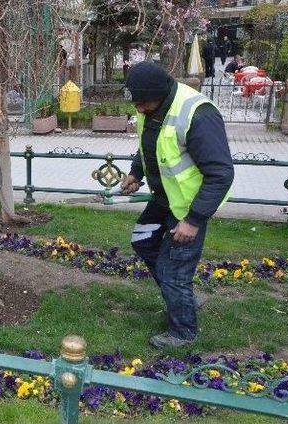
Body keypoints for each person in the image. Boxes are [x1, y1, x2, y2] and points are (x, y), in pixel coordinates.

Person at [120, 61, 234, 349]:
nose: (138, 109)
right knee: (143, 241)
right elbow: (150, 144)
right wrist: (136, 173)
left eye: (142, 103)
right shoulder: (154, 107)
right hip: (164, 199)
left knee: (174, 270)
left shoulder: (198, 114)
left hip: (189, 207)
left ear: (158, 95)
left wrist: (193, 220)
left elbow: (221, 174)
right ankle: (182, 298)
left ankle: (183, 332)